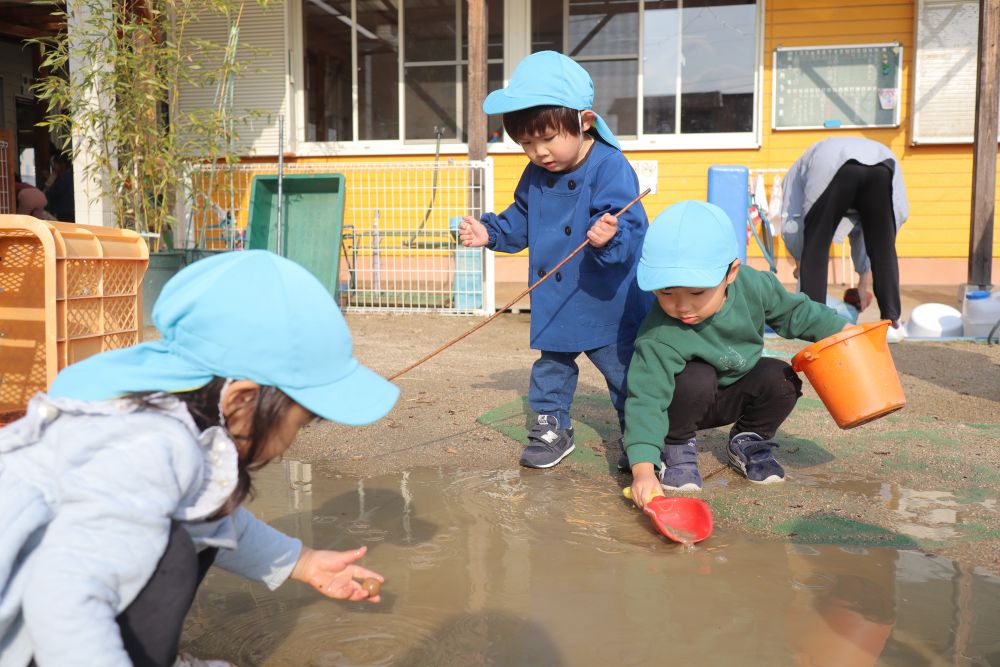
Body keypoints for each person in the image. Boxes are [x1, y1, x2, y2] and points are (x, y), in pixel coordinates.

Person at [0, 250, 400, 667]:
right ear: (243, 399)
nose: (290, 443)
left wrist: (304, 562)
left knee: (182, 529)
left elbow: (212, 514)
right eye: (298, 425)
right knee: (170, 551)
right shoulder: (146, 445)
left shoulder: (166, 425)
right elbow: (65, 598)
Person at [458, 50, 651, 470]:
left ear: (584, 123)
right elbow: (523, 216)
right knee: (551, 370)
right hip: (556, 292)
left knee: (625, 373)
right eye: (527, 143)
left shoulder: (610, 166)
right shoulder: (536, 174)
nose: (539, 152)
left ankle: (640, 438)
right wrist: (490, 231)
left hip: (606, 296)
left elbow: (631, 225)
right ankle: (551, 428)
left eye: (548, 139)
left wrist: (609, 237)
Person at [622, 201, 850, 505]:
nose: (682, 306)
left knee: (781, 377)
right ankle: (674, 445)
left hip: (731, 392)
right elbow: (646, 401)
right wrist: (643, 472)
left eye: (697, 292)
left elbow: (795, 313)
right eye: (666, 293)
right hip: (680, 405)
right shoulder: (659, 335)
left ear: (731, 273)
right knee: (697, 377)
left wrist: (843, 332)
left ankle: (748, 438)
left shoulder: (754, 286)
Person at [779, 136, 909, 327]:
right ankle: (892, 319)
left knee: (817, 243)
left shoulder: (795, 172)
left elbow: (794, 222)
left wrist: (802, 264)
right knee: (883, 246)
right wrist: (863, 285)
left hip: (832, 163)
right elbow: (871, 234)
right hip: (884, 166)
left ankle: (814, 322)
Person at [44, 152, 75, 222]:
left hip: (64, 211)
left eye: (54, 164)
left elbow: (53, 192)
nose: (53, 167)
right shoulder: (70, 174)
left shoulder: (64, 177)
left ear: (62, 164)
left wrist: (49, 183)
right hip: (69, 210)